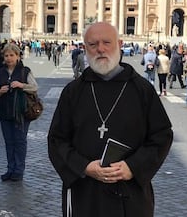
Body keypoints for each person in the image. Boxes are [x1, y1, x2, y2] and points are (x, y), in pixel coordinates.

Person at [48, 22, 173, 217]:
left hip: (130, 192)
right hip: (84, 192)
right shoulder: (73, 92)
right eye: (93, 44)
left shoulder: (142, 90)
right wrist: (84, 167)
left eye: (107, 42)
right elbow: (57, 141)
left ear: (120, 43)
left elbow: (161, 136)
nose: (100, 49)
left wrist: (133, 167)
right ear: (84, 47)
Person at [0, 43, 39, 181]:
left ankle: (19, 170)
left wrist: (21, 85)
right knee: (8, 141)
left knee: (19, 141)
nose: (8, 58)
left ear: (18, 56)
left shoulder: (25, 71)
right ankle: (10, 168)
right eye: (6, 55)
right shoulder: (0, 72)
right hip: (5, 111)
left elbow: (35, 87)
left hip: (21, 112)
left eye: (11, 55)